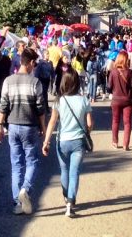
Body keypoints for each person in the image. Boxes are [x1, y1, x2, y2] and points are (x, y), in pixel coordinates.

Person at [0, 47, 48, 216]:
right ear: (31, 63)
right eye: (35, 63)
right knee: (32, 161)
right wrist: (43, 127)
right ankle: (25, 189)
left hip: (12, 126)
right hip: (30, 126)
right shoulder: (35, 82)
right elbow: (40, 108)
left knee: (16, 165)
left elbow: (3, 105)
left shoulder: (8, 81)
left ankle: (18, 203)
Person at [42, 69, 93, 218]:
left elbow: (52, 122)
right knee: (74, 172)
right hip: (78, 141)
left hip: (62, 141)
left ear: (63, 83)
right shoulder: (84, 100)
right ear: (77, 83)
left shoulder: (59, 100)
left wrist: (46, 141)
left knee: (64, 171)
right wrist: (87, 131)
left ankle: (66, 198)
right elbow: (89, 123)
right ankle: (71, 202)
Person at [108, 50, 132, 150]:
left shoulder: (113, 72)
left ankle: (115, 142)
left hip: (116, 99)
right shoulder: (130, 72)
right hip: (128, 99)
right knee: (127, 122)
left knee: (115, 121)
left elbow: (109, 87)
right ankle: (125, 144)